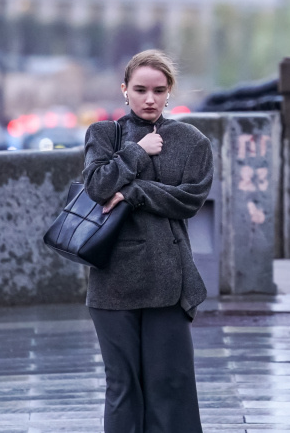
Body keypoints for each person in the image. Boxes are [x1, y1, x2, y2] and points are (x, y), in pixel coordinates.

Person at [82, 49, 214, 432]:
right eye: (140, 90)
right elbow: (98, 186)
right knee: (122, 388)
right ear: (125, 90)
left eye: (158, 90)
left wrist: (133, 193)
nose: (150, 99)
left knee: (171, 387)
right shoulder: (103, 135)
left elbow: (189, 200)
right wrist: (137, 152)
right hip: (112, 283)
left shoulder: (191, 141)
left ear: (170, 91)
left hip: (168, 279)